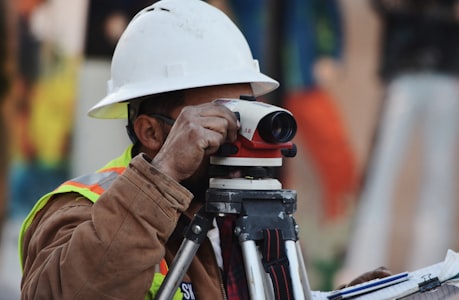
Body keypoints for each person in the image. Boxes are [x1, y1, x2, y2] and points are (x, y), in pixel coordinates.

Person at [19, 0, 390, 299]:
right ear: (149, 131)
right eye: (218, 116)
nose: (237, 133)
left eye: (244, 108)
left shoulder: (245, 215)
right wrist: (163, 175)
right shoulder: (80, 207)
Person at [340, 0, 459, 280]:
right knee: (381, 173)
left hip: (446, 64)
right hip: (404, 65)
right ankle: (363, 269)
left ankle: (432, 274)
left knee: (440, 179)